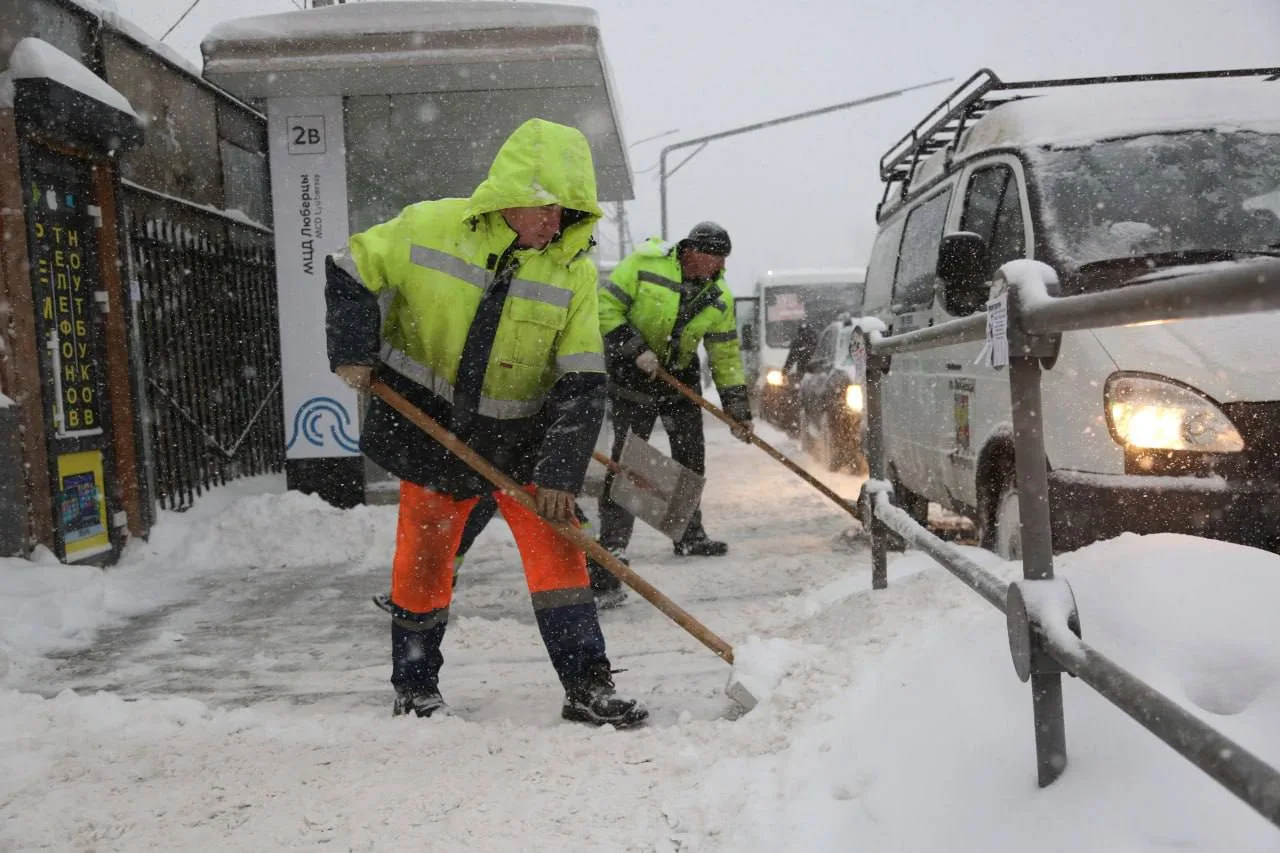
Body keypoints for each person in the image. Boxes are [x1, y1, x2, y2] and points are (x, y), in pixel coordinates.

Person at [325, 117, 646, 728]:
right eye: (549, 209)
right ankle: (415, 687)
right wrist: (352, 351)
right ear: (508, 198)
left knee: (560, 548)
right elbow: (349, 269)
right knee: (425, 557)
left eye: (570, 211)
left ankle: (587, 685)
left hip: (522, 438)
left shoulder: (572, 268)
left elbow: (582, 379)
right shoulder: (428, 227)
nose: (557, 224)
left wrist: (558, 473)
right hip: (431, 428)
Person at [595, 222, 752, 564]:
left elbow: (725, 356)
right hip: (633, 379)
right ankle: (612, 543)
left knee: (691, 461)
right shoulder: (643, 265)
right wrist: (635, 349)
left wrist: (738, 410)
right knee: (628, 461)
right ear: (694, 252)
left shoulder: (719, 297)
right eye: (717, 258)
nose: (722, 267)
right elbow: (605, 308)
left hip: (679, 382)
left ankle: (689, 535)